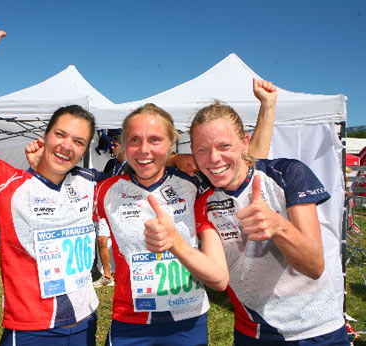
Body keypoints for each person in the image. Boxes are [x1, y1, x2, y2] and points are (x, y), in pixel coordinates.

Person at [0, 19, 104, 345]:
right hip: (31, 329)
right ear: (45, 136)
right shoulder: (8, 183)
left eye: (78, 141)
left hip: (86, 319)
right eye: (60, 134)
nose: (67, 146)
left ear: (85, 149)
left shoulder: (91, 183)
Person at [94, 80, 277, 345]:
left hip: (188, 319)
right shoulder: (105, 189)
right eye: (134, 140)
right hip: (130, 321)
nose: (144, 149)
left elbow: (248, 163)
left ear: (171, 143)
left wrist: (267, 107)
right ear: (123, 144)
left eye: (156, 140)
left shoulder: (192, 180)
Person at [187, 102, 348, 345]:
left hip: (318, 330)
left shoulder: (287, 174)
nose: (214, 158)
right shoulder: (204, 202)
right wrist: (174, 244)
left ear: (244, 143)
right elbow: (218, 278)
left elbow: (314, 266)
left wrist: (278, 226)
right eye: (202, 149)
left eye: (224, 146)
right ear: (192, 151)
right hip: (254, 333)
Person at [94, 136, 133, 288]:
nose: (111, 147)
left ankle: (128, 273)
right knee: (102, 240)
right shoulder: (111, 163)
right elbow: (104, 182)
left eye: (115, 145)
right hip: (108, 208)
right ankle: (107, 275)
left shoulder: (133, 164)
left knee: (125, 242)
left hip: (125, 210)